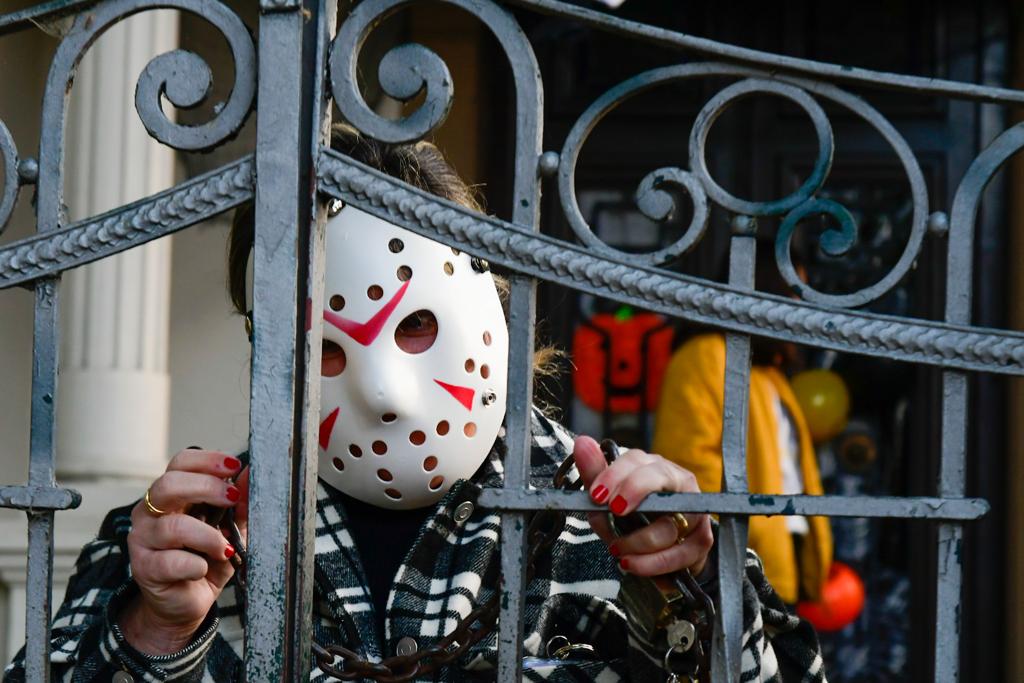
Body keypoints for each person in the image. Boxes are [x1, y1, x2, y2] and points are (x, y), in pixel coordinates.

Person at [5, 127, 826, 682]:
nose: (384, 392)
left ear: (492, 306)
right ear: (270, 355)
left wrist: (690, 602)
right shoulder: (171, 546)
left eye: (418, 326)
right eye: (328, 350)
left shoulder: (627, 530)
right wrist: (155, 632)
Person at [651, 252, 833, 606]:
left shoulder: (770, 375)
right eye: (794, 291)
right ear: (766, 291)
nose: (800, 305)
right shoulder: (705, 354)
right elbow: (690, 463)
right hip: (737, 558)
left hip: (777, 555)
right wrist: (757, 528)